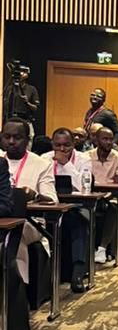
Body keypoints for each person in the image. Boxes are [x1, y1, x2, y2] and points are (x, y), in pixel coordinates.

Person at [1, 120, 57, 285]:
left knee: (14, 236)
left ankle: (18, 287)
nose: (11, 141)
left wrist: (35, 195)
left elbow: (52, 199)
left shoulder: (42, 164)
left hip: (31, 222)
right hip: (2, 218)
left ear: (27, 140)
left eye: (17, 137)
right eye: (7, 137)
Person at [43, 128, 93, 291]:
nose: (62, 149)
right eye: (57, 145)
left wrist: (66, 164)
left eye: (66, 145)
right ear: (52, 144)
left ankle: (78, 273)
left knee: (78, 223)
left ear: (73, 144)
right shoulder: (44, 159)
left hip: (75, 206)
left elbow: (83, 186)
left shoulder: (83, 159)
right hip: (50, 206)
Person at [89, 126, 118, 263]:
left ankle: (102, 248)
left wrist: (104, 194)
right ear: (96, 140)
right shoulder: (86, 157)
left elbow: (117, 185)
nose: (109, 142)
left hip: (111, 196)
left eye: (111, 139)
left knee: (114, 206)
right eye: (105, 139)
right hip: (90, 195)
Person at [2, 64, 39, 137]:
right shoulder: (10, 89)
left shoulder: (31, 89)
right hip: (11, 120)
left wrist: (27, 102)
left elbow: (35, 108)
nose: (21, 74)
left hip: (25, 120)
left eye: (24, 72)